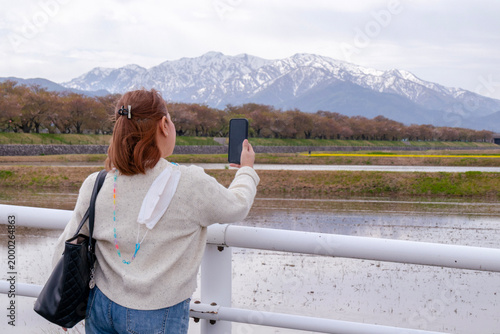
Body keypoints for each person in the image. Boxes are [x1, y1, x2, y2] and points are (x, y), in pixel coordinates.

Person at [52, 89, 259, 333]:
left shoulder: (97, 183)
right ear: (163, 124)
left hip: (102, 306)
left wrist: (61, 301)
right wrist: (246, 169)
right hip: (158, 314)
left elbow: (67, 241)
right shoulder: (189, 182)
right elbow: (237, 205)